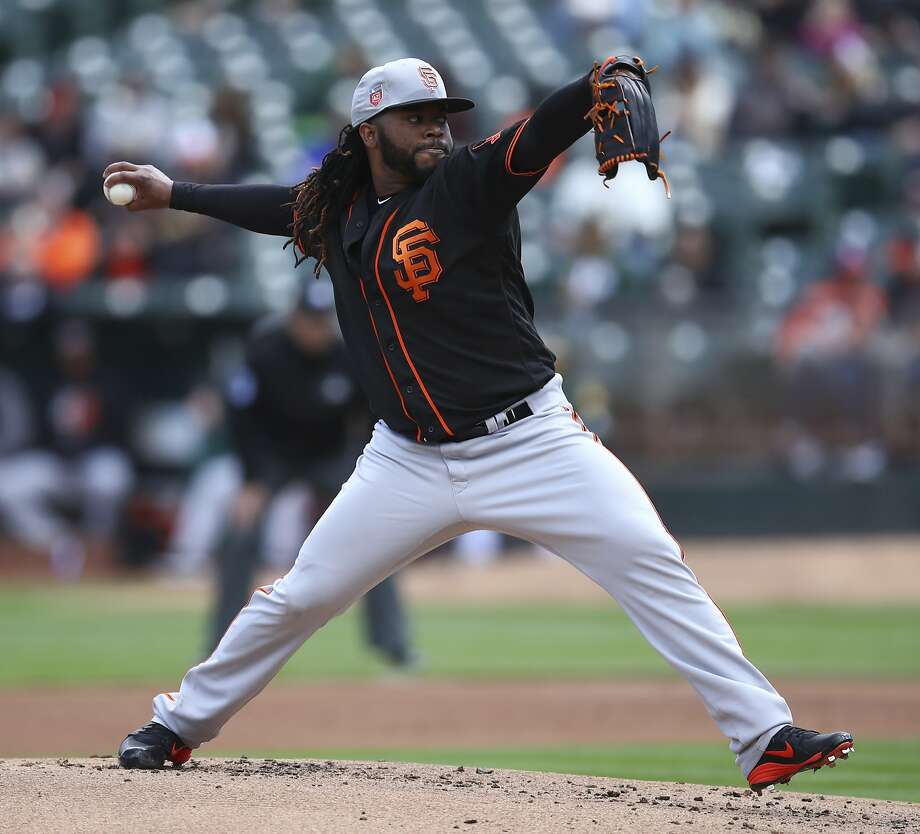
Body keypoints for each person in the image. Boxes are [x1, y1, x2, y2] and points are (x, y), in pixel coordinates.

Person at [108, 57, 852, 794]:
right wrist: (176, 194)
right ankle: (178, 725)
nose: (436, 127)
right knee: (300, 596)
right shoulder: (338, 209)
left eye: (441, 115)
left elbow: (536, 135)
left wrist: (593, 86)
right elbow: (279, 206)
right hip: (407, 461)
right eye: (415, 117)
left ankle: (764, 736)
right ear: (370, 132)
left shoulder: (468, 182)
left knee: (650, 557)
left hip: (531, 441)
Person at [204, 283, 414, 663]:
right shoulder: (264, 353)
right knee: (241, 533)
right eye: (309, 320)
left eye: (322, 321)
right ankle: (220, 646)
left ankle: (392, 643)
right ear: (294, 319)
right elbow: (241, 419)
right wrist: (251, 480)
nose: (316, 329)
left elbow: (374, 414)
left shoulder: (345, 356)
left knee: (374, 533)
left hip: (328, 457)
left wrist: (368, 471)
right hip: (273, 459)